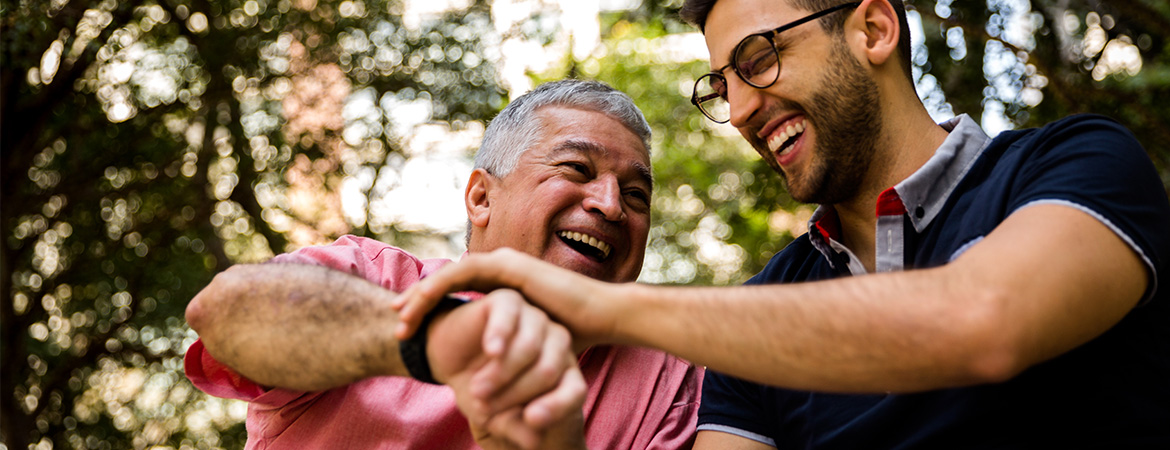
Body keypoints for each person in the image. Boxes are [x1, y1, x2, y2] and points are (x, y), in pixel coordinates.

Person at [396, 1, 1170, 448]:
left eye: (760, 57)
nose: (737, 110)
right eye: (721, 84)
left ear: (872, 29)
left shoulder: (1074, 166)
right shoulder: (757, 323)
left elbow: (983, 320)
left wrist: (598, 306)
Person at [184, 79, 703, 449]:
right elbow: (224, 312)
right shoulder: (372, 275)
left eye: (636, 195)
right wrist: (439, 342)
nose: (611, 205)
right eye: (576, 168)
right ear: (480, 198)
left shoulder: (670, 378)